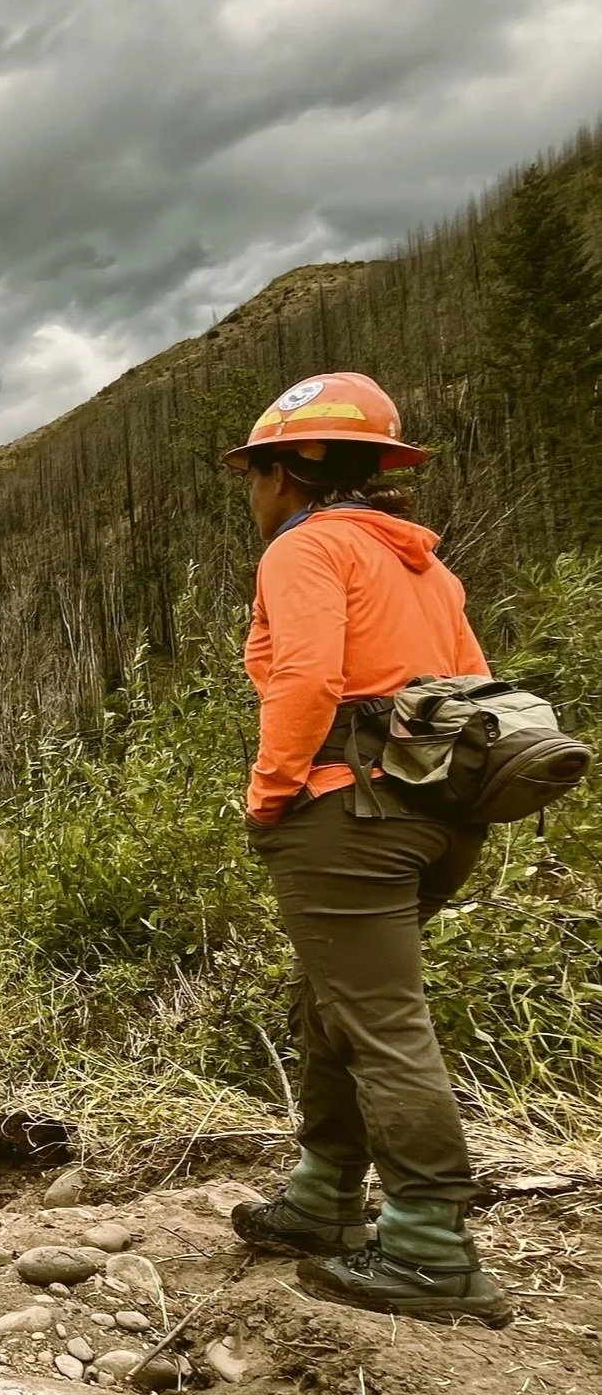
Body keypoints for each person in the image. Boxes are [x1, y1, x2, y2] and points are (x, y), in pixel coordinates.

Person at [223, 371, 510, 1327]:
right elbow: (474, 691)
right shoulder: (426, 566)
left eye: (255, 473)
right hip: (438, 818)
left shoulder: (305, 551)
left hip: (347, 817)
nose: (251, 494)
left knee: (379, 1016)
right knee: (333, 1000)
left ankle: (430, 1246)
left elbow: (303, 680)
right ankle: (319, 1197)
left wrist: (268, 796)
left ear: (291, 471)